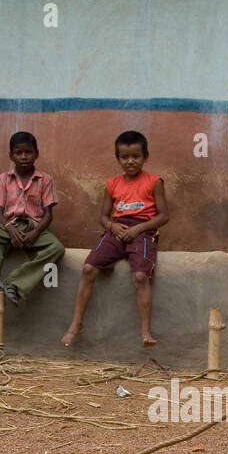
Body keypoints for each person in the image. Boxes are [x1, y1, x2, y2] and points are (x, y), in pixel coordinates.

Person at [62, 130, 169, 348]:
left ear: (145, 156)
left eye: (136, 156)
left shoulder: (154, 181)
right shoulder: (112, 184)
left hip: (143, 231)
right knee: (89, 269)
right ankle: (76, 324)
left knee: (140, 276)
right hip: (116, 229)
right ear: (118, 159)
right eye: (125, 157)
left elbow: (164, 216)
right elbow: (103, 216)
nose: (130, 161)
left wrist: (139, 228)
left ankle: (146, 330)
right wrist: (112, 226)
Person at [0, 131, 64, 310]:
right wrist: (10, 229)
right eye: (18, 153)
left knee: (57, 249)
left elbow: (48, 215)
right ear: (11, 155)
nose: (23, 157)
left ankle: (14, 283)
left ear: (37, 153)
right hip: (7, 225)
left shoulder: (45, 180)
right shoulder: (4, 178)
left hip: (34, 226)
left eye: (28, 152)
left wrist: (35, 233)